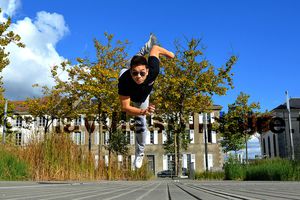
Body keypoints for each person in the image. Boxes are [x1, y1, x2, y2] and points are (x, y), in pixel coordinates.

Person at [118, 34, 175, 168]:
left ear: (148, 71)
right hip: (135, 98)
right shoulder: (124, 81)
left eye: (142, 73)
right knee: (141, 121)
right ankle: (140, 153)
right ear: (131, 72)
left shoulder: (153, 70)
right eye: (135, 73)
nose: (138, 77)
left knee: (141, 124)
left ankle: (140, 152)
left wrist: (170, 54)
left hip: (144, 96)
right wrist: (143, 111)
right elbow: (125, 107)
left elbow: (156, 49)